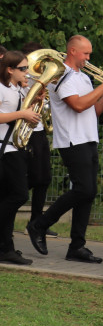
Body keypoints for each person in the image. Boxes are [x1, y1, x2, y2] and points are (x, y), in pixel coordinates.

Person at [27, 35, 103, 263]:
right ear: (72, 51)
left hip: (88, 138)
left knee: (88, 194)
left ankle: (77, 246)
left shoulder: (83, 78)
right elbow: (78, 106)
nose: (89, 58)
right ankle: (38, 225)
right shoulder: (63, 77)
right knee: (83, 189)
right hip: (72, 140)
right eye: (85, 54)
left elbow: (93, 110)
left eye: (89, 54)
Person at [1, 50, 41, 264]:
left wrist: (34, 105)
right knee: (18, 195)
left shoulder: (18, 89)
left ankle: (6, 248)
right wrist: (22, 114)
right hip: (4, 150)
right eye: (23, 69)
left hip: (15, 148)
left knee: (10, 196)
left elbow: (28, 118)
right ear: (9, 70)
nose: (28, 72)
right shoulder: (1, 88)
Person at [20, 42, 54, 233]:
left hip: (38, 131)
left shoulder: (40, 79)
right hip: (24, 133)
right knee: (26, 181)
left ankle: (35, 222)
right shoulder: (21, 79)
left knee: (44, 178)